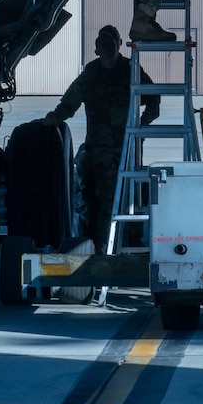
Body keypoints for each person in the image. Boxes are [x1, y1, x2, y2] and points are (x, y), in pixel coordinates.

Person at [45, 25, 159, 251]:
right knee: (93, 198)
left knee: (127, 196)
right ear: (97, 49)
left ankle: (123, 243)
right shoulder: (91, 73)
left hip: (127, 149)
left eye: (111, 43)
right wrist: (55, 117)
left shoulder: (130, 70)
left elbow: (153, 98)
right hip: (99, 150)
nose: (107, 48)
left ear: (118, 45)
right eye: (103, 44)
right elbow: (71, 100)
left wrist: (142, 125)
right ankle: (99, 247)